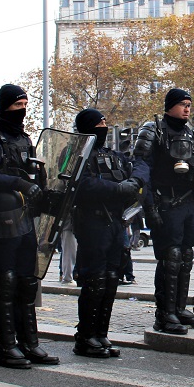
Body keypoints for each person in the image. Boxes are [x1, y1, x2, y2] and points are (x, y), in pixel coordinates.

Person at [0, 84, 58, 367]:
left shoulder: (24, 140)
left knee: (26, 281)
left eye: (26, 104)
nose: (23, 110)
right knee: (5, 282)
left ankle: (29, 343)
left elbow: (34, 173)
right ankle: (6, 346)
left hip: (27, 218)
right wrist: (18, 182)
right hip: (3, 220)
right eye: (18, 105)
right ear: (5, 105)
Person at [131, 88, 194, 334]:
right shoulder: (152, 130)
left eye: (189, 104)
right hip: (165, 203)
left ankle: (179, 308)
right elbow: (142, 167)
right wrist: (150, 207)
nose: (187, 108)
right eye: (183, 104)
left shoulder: (191, 133)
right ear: (170, 105)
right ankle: (164, 314)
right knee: (170, 258)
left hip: (187, 203)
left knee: (186, 257)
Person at [71, 108, 143, 357]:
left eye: (105, 122)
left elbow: (137, 167)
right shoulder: (76, 153)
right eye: (99, 122)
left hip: (116, 222)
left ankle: (101, 334)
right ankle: (85, 336)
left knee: (112, 278)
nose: (104, 125)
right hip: (92, 222)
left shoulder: (113, 155)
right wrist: (117, 189)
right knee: (95, 280)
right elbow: (81, 184)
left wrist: (134, 183)